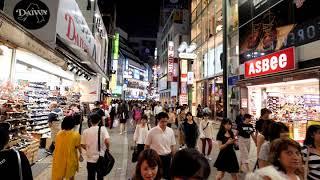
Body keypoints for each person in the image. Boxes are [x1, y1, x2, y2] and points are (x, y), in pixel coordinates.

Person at [144, 112, 176, 180]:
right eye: (162, 121)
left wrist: (174, 158)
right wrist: (146, 158)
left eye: (165, 121)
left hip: (167, 157)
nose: (164, 123)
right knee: (156, 175)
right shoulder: (151, 132)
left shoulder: (170, 131)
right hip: (156, 157)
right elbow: (146, 146)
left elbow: (173, 145)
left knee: (167, 175)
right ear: (158, 120)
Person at [81, 112, 110, 180]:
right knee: (100, 176)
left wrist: (88, 149)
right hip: (100, 157)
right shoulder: (103, 129)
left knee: (91, 176)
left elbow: (82, 144)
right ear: (99, 120)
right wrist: (107, 148)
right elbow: (107, 141)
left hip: (90, 158)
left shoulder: (86, 131)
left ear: (90, 121)